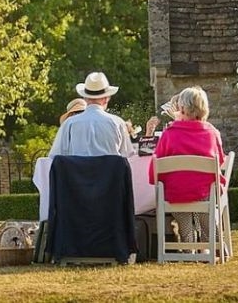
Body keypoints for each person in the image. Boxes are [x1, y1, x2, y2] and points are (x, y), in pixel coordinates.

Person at [148, 86, 226, 243]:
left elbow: (154, 172)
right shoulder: (212, 133)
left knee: (183, 214)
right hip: (204, 195)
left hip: (176, 195)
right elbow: (221, 161)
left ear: (181, 108)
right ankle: (212, 241)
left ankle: (188, 242)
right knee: (205, 210)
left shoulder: (169, 134)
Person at [49, 72, 134, 158]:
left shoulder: (69, 124)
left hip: (77, 171)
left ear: (85, 98)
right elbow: (128, 156)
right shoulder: (117, 123)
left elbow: (55, 157)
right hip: (109, 171)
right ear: (106, 99)